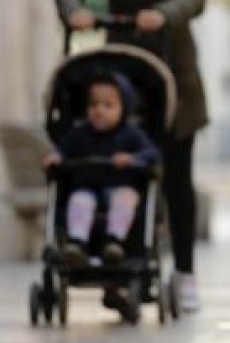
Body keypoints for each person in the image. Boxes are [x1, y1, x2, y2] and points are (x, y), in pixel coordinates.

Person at [56, 0, 209, 310]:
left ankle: (186, 271)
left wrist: (163, 13)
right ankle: (118, 265)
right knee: (116, 169)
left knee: (176, 175)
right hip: (123, 72)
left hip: (173, 68)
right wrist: (75, 11)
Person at [44, 71, 161, 269]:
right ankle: (77, 242)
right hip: (88, 187)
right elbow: (63, 150)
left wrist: (132, 159)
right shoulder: (79, 135)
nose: (99, 110)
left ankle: (114, 240)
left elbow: (152, 153)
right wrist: (56, 157)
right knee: (79, 200)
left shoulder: (131, 135)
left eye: (108, 105)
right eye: (93, 104)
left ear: (123, 108)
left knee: (125, 198)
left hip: (120, 186)